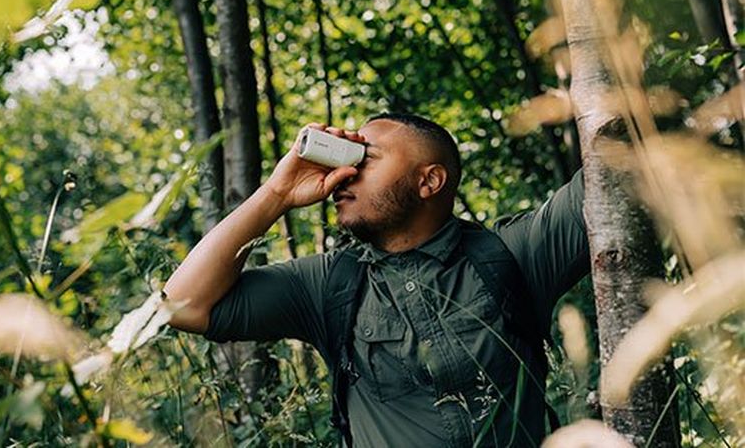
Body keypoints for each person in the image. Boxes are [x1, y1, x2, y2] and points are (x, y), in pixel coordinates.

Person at [165, 115, 588, 447]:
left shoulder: (513, 253)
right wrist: (278, 191)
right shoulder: (328, 284)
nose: (345, 173)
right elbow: (181, 304)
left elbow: (624, 165)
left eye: (364, 159)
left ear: (429, 181)